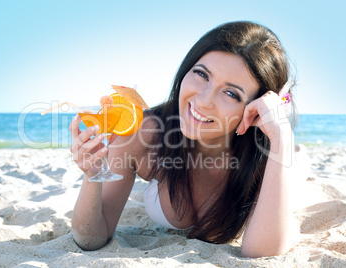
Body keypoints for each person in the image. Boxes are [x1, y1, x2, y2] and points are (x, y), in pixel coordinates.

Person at [69, 21, 299, 258]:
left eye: (231, 93)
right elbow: (91, 239)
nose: (202, 101)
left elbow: (261, 253)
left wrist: (282, 139)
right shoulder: (144, 134)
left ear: (255, 108)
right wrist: (93, 176)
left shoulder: (265, 155)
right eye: (201, 74)